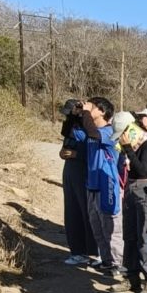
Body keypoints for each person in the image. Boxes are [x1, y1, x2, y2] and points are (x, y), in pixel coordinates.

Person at [111, 110, 147, 293]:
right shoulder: (131, 145)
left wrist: (129, 150)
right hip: (130, 189)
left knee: (144, 237)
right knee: (129, 235)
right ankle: (131, 276)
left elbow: (142, 170)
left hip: (144, 190)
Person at [80, 96, 125, 278]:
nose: (88, 109)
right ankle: (107, 261)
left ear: (102, 111)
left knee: (111, 229)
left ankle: (118, 264)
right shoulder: (91, 130)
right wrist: (75, 115)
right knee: (97, 228)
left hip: (107, 186)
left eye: (92, 107)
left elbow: (93, 133)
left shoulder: (109, 132)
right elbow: (71, 132)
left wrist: (85, 112)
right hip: (92, 186)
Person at [58, 99, 98, 266]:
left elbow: (94, 147)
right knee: (72, 212)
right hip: (70, 172)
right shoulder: (72, 126)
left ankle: (94, 252)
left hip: (84, 172)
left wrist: (85, 114)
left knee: (87, 213)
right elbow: (65, 134)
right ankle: (77, 251)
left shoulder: (91, 128)